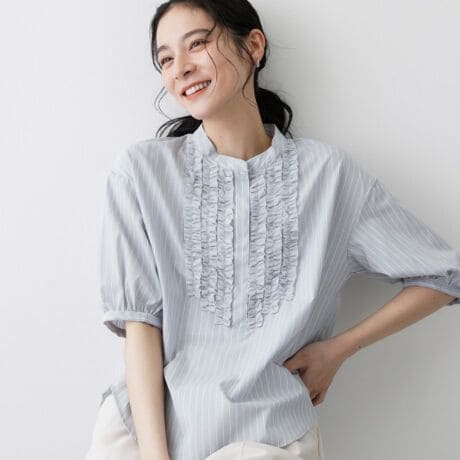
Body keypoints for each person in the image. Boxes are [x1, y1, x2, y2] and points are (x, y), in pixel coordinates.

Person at [84, 1, 460, 459]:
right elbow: (140, 323)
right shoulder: (142, 173)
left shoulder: (329, 177)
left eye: (197, 44)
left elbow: (443, 274)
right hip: (143, 434)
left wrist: (338, 349)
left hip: (269, 437)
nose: (180, 68)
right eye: (165, 59)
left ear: (254, 46)